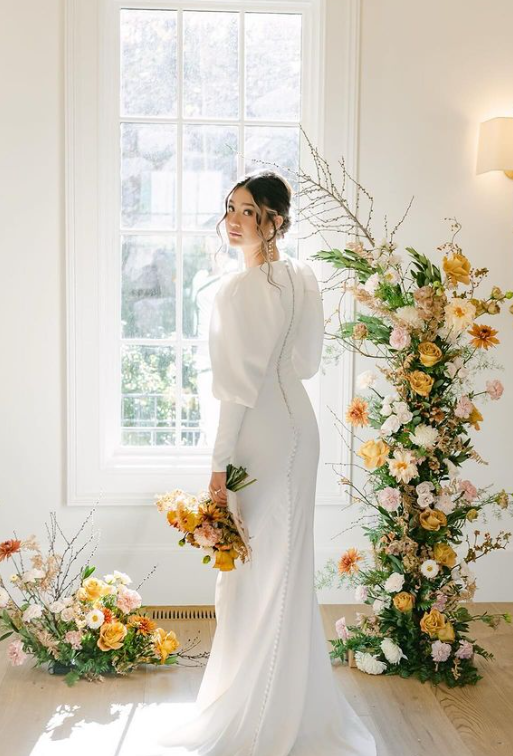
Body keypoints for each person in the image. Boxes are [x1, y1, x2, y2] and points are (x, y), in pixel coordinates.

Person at [154, 170, 377, 755]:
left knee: (252, 570)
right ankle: (290, 702)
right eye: (229, 208)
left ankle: (260, 708)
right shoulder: (304, 277)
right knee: (282, 567)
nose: (232, 219)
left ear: (275, 219)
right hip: (300, 425)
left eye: (248, 211)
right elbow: (303, 364)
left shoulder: (235, 291)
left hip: (259, 435)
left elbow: (235, 390)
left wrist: (217, 467)